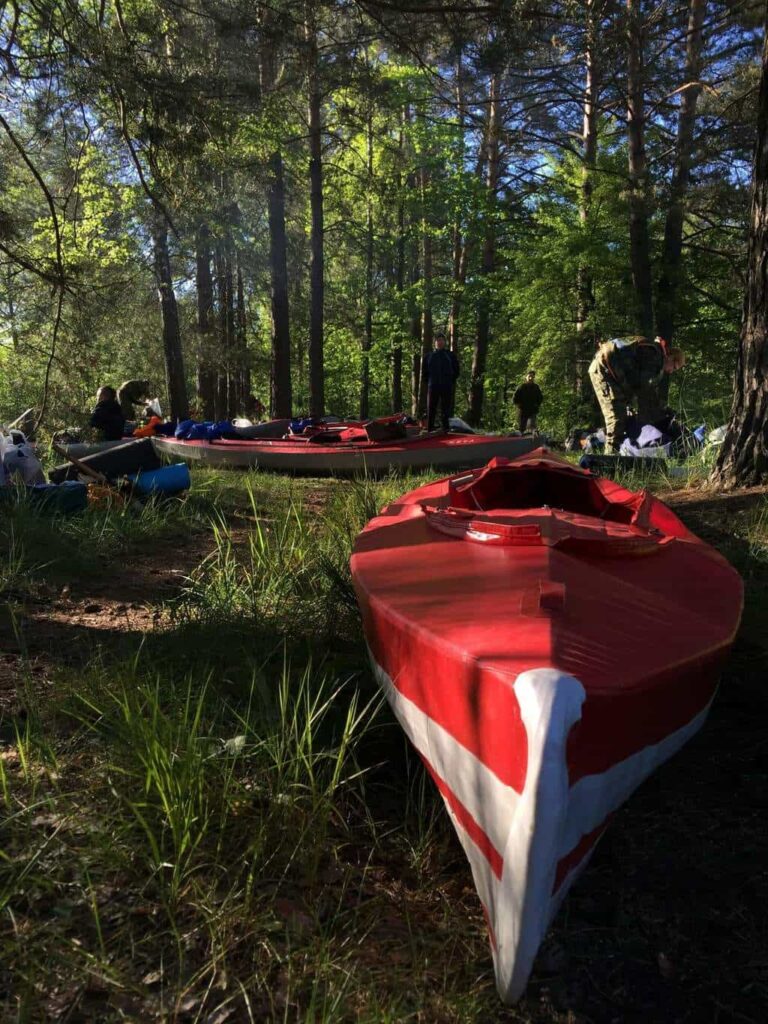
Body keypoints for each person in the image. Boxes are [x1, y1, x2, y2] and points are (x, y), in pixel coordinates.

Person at [588, 336, 685, 452]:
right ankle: (609, 460)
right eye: (674, 367)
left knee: (621, 416)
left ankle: (612, 451)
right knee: (616, 418)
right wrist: (659, 413)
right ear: (669, 356)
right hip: (604, 368)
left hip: (609, 370)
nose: (670, 371)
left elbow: (635, 382)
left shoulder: (653, 351)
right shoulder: (655, 357)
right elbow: (642, 389)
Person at [422, 332, 459, 432]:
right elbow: (424, 373)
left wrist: (450, 381)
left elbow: (456, 370)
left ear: (445, 342)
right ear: (435, 342)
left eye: (442, 340)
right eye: (438, 340)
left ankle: (445, 429)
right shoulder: (428, 356)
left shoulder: (450, 355)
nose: (440, 342)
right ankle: (430, 429)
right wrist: (430, 382)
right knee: (431, 408)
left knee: (446, 408)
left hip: (446, 385)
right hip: (433, 386)